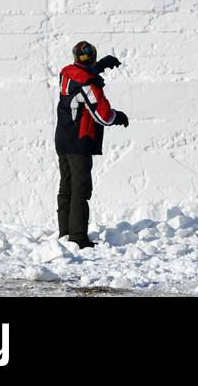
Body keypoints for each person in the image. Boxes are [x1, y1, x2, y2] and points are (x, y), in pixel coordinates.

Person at [55, 40, 129, 248]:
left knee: (66, 187)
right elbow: (102, 115)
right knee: (81, 189)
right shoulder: (90, 84)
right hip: (80, 141)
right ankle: (78, 238)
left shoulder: (66, 74)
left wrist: (99, 68)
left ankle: (65, 234)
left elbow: (82, 77)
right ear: (93, 57)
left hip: (63, 138)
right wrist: (118, 116)